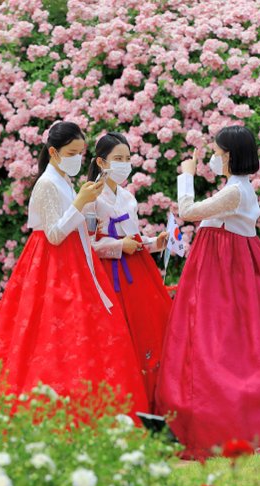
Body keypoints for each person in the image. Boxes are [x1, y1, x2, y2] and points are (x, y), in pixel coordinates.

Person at [155, 126, 260, 457]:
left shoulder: (236, 191)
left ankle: (223, 421)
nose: (213, 158)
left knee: (224, 344)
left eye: (216, 152)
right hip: (223, 267)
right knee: (225, 342)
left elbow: (188, 211)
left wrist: (186, 176)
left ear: (228, 156)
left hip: (225, 273)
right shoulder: (235, 189)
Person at [0, 121, 148, 415]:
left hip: (73, 259)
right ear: (54, 152)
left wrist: (83, 202)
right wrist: (80, 202)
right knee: (52, 332)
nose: (79, 157)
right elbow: (53, 233)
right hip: (53, 265)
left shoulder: (63, 179)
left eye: (81, 151)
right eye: (73, 152)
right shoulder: (48, 183)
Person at [88, 133, 171, 411]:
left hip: (137, 271)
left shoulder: (127, 196)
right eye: (117, 159)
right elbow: (87, 243)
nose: (124, 164)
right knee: (117, 335)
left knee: (148, 332)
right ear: (101, 161)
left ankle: (149, 400)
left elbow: (132, 236)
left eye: (127, 158)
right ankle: (120, 402)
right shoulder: (90, 197)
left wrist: (152, 243)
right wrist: (116, 246)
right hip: (108, 273)